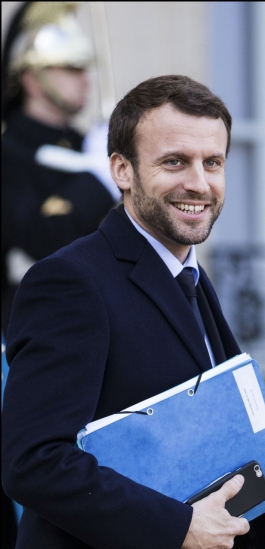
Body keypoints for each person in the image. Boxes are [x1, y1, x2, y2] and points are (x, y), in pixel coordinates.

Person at [2, 75, 265, 549]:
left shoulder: (190, 276)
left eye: (213, 163)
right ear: (122, 169)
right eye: (174, 162)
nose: (200, 183)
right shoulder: (69, 281)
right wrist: (178, 530)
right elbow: (33, 461)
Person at [1, 1, 119, 336]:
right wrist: (98, 177)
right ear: (32, 79)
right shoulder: (8, 152)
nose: (86, 80)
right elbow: (42, 238)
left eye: (84, 68)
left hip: (92, 314)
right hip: (24, 326)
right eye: (71, 68)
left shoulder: (89, 143)